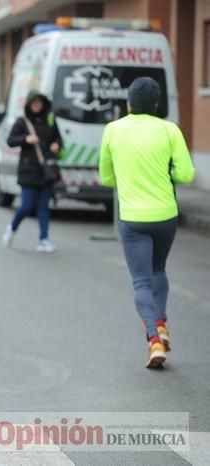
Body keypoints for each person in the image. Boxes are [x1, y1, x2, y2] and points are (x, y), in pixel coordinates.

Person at [98, 77, 195, 369]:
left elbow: (106, 177)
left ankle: (154, 340)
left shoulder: (113, 130)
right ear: (156, 103)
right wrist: (164, 175)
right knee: (158, 269)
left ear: (128, 102)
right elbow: (186, 174)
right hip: (166, 215)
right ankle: (162, 324)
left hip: (133, 218)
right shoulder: (169, 130)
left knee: (141, 280)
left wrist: (127, 179)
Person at [1, 92, 61, 253]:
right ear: (28, 104)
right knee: (27, 206)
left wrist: (56, 144)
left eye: (39, 103)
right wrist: (26, 139)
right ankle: (12, 228)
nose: (37, 105)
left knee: (43, 206)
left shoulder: (49, 120)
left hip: (46, 169)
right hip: (28, 170)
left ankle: (43, 239)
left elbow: (58, 138)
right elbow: (10, 140)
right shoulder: (23, 122)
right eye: (33, 103)